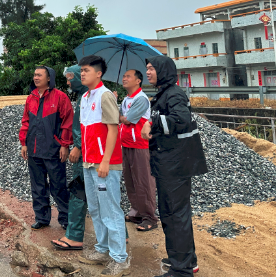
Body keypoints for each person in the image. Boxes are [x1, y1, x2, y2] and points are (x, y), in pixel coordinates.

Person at [141, 56, 207, 277]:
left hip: (175, 164)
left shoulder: (174, 94)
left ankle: (182, 269)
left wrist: (153, 123)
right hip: (168, 161)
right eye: (147, 68)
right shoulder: (164, 93)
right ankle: (185, 258)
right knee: (172, 213)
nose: (148, 72)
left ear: (163, 71)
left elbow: (181, 120)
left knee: (175, 214)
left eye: (151, 69)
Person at [76, 55, 130, 277]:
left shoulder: (105, 95)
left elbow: (113, 130)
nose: (82, 73)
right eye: (81, 70)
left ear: (98, 73)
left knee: (110, 209)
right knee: (96, 209)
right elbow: (87, 129)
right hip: (89, 162)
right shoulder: (86, 96)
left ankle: (120, 259)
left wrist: (106, 160)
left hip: (104, 163)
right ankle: (103, 248)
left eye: (86, 70)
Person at [19, 66, 74, 230]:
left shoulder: (60, 98)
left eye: (39, 75)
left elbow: (67, 123)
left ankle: (65, 218)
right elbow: (25, 122)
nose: (35, 78)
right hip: (34, 150)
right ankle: (42, 218)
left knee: (58, 186)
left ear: (49, 78)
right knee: (37, 186)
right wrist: (23, 143)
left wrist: (64, 144)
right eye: (34, 75)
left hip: (53, 150)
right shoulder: (31, 98)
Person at [51, 65, 88, 250]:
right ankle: (122, 236)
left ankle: (74, 236)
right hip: (86, 153)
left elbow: (89, 126)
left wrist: (78, 147)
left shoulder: (90, 97)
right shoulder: (83, 97)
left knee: (78, 195)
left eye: (70, 78)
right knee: (98, 198)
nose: (67, 82)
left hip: (85, 155)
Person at [119, 69, 158, 232]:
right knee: (130, 181)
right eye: (124, 76)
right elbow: (122, 117)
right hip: (126, 143)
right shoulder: (126, 99)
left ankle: (149, 217)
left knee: (143, 181)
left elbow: (128, 119)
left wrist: (120, 117)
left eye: (128, 76)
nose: (124, 79)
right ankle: (136, 212)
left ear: (138, 81)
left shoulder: (141, 98)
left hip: (139, 145)